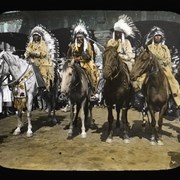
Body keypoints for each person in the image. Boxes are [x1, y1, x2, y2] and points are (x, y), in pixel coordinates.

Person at [134, 26, 180, 108]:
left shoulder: (165, 48)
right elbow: (146, 58)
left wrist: (162, 62)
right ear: (153, 37)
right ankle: (141, 96)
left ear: (161, 37)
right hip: (151, 68)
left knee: (172, 80)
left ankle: (174, 99)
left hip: (163, 68)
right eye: (156, 36)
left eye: (159, 36)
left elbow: (168, 59)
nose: (158, 37)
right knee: (141, 78)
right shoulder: (149, 47)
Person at [67, 19, 100, 94]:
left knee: (91, 71)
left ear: (83, 38)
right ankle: (65, 90)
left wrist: (79, 59)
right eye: (78, 37)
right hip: (74, 63)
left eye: (81, 37)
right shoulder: (72, 46)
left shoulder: (88, 45)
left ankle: (93, 89)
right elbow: (68, 56)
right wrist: (72, 59)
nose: (79, 39)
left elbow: (88, 56)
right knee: (66, 73)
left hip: (86, 62)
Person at [24, 25, 58, 92]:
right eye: (34, 35)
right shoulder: (31, 44)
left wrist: (33, 53)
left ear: (39, 36)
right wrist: (29, 54)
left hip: (42, 62)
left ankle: (45, 86)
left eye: (36, 35)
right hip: (32, 62)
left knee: (43, 73)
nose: (35, 37)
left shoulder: (43, 43)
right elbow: (27, 52)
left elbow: (43, 53)